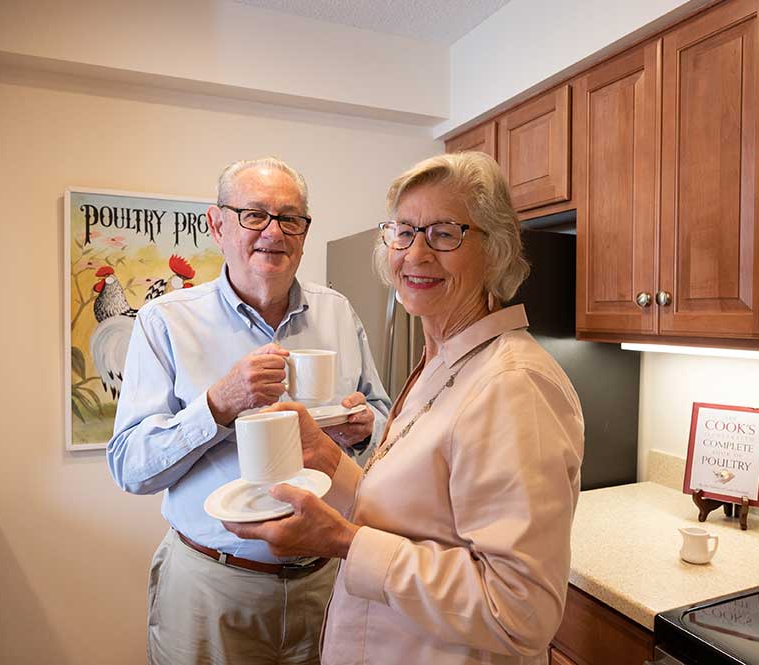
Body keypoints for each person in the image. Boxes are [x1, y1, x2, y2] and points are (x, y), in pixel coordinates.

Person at [226, 151, 585, 664]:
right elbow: (414, 518)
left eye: (444, 233)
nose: (416, 254)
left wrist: (345, 541)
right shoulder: (443, 363)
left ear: (496, 249)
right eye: (404, 231)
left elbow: (520, 612)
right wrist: (327, 458)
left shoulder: (514, 387)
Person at [106, 157, 391, 665]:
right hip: (212, 589)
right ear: (217, 225)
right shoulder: (165, 322)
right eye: (254, 215)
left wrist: (366, 429)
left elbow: (384, 415)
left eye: (289, 218)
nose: (273, 233)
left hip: (329, 583)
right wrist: (218, 405)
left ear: (304, 232)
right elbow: (130, 466)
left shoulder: (339, 312)